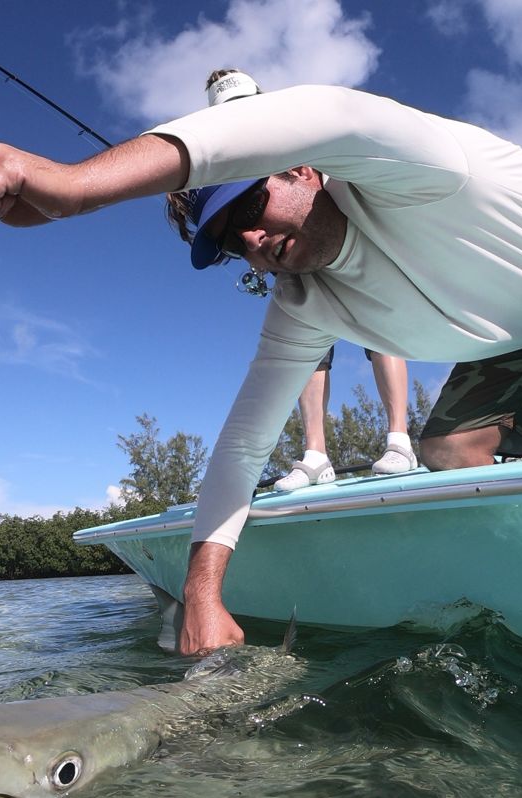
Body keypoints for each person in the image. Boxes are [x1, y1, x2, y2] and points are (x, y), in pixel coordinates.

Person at [0, 82, 522, 656]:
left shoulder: (407, 167)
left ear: (304, 171)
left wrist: (75, 188)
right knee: (450, 456)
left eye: (250, 207)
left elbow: (327, 112)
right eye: (227, 241)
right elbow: (241, 451)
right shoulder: (305, 305)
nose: (249, 240)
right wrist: (204, 599)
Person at [204, 69, 416, 491]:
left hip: (340, 233)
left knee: (379, 334)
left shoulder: (296, 126)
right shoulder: (226, 156)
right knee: (310, 354)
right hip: (295, 262)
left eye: (243, 103)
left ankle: (400, 441)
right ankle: (316, 455)